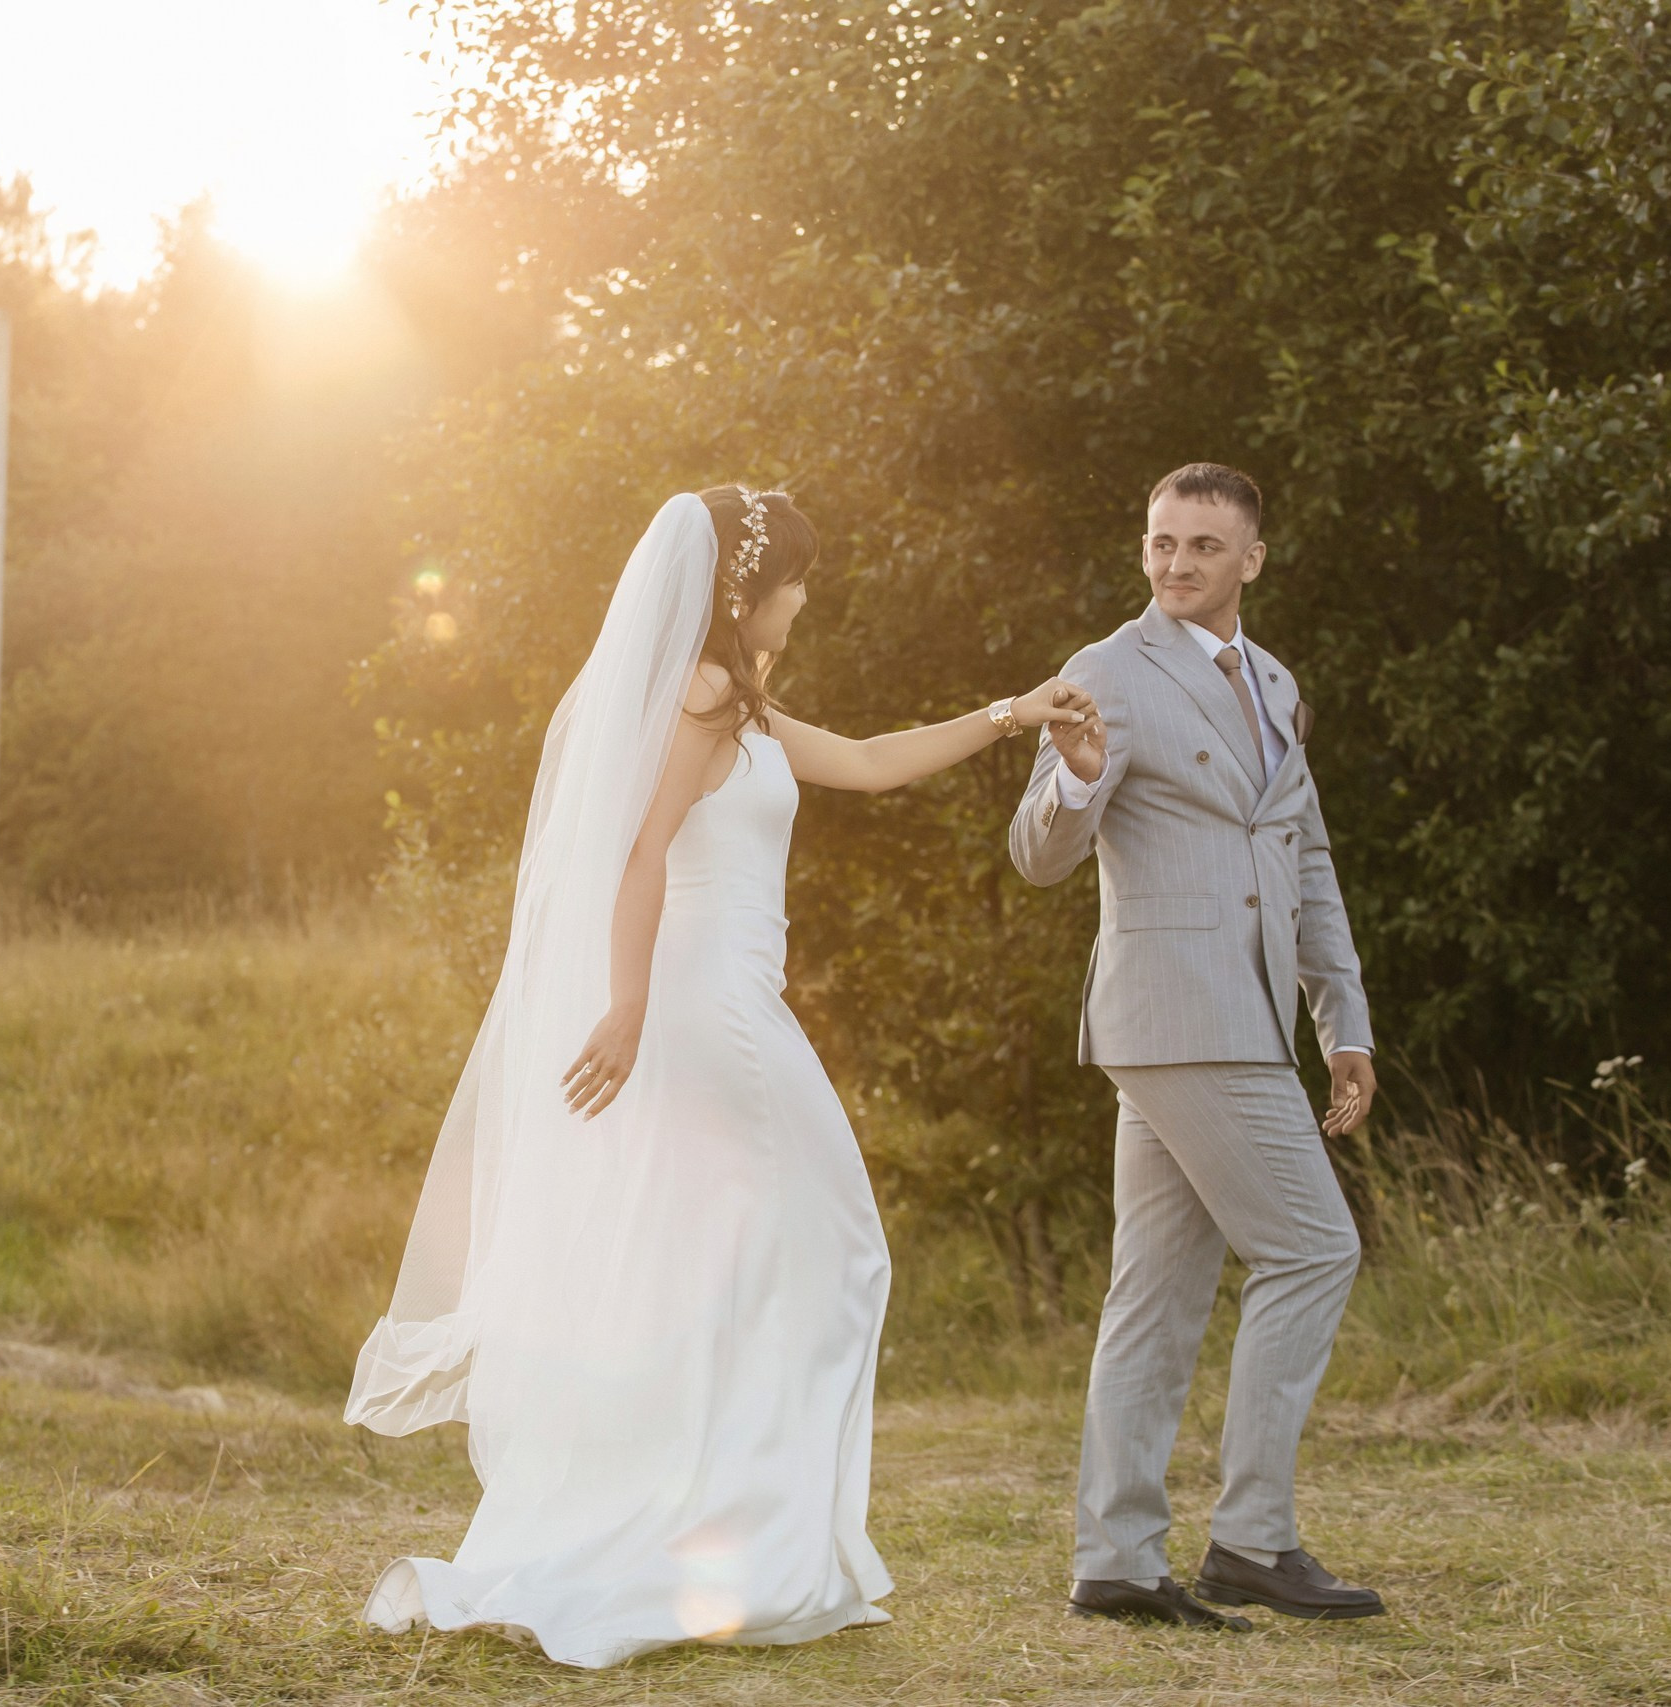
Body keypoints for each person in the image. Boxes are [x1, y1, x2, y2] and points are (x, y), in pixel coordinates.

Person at [345, 486, 1098, 1668]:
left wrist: (1012, 713)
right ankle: (736, 1539)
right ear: (745, 592)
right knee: (839, 1246)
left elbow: (865, 761)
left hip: (731, 1001)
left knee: (731, 1264)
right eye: (795, 579)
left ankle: (726, 1536)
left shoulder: (740, 708)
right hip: (706, 1009)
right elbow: (640, 851)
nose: (805, 597)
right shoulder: (698, 698)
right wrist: (630, 1009)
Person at [1008, 461, 1386, 1629]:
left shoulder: (1271, 681)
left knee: (1157, 1296)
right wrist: (1073, 783)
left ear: (1251, 560)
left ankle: (1115, 1562)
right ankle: (1253, 1541)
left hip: (1247, 1012)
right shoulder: (1103, 675)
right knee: (1315, 1249)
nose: (1175, 564)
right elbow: (1037, 854)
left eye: (1202, 547)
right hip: (1177, 1011)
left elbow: (1304, 857)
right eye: (1160, 542)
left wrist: (1344, 1021)